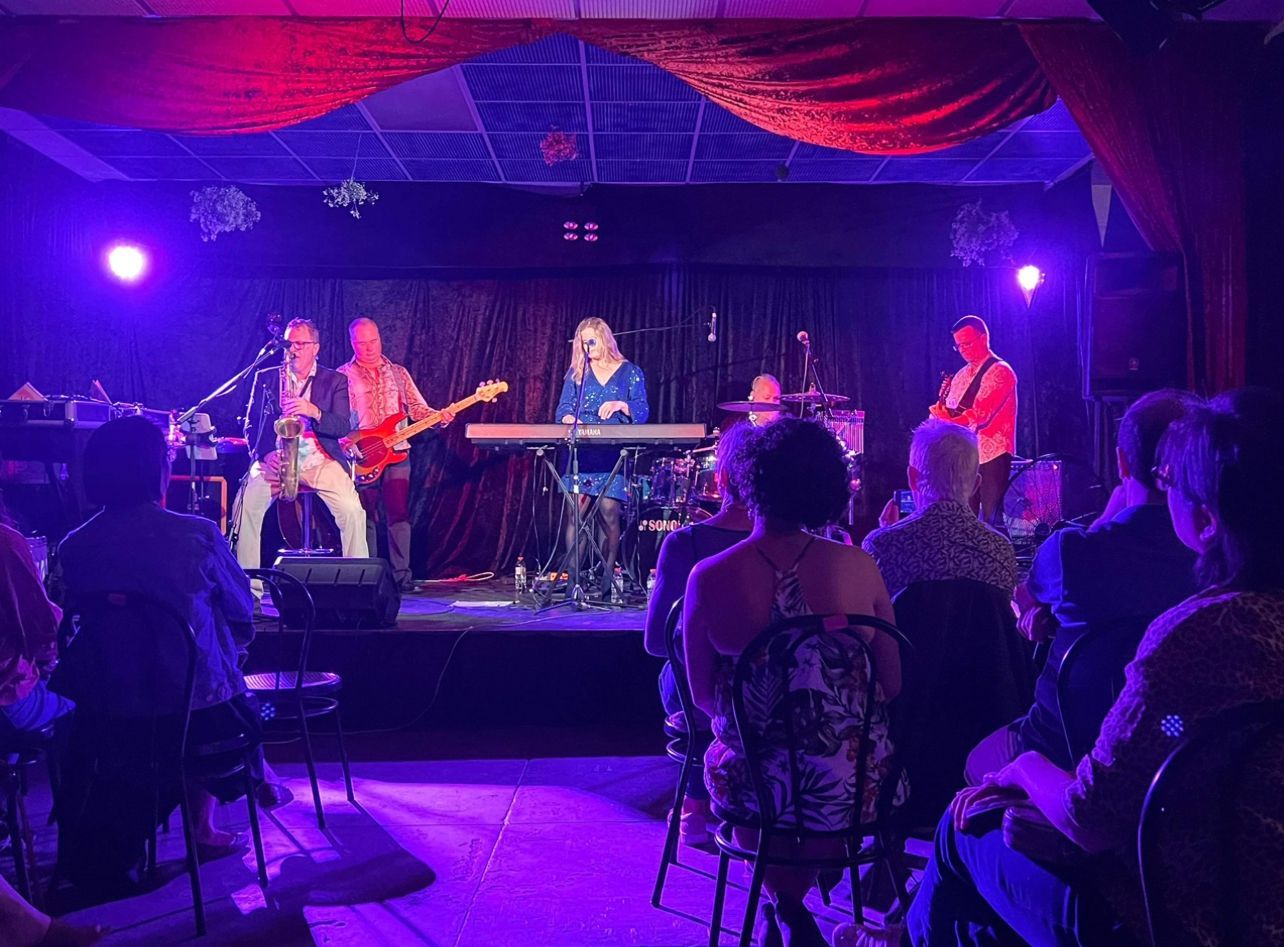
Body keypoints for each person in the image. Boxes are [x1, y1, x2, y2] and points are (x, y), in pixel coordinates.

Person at [907, 388, 1284, 947]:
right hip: (1262, 899)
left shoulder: (1192, 634)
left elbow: (1090, 817)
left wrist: (1024, 770)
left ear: (1206, 520)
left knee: (959, 829)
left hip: (1170, 914)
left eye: (1171, 480)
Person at [683, 418, 904, 946]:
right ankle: (790, 905)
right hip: (854, 786)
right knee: (826, 777)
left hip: (755, 784)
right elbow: (892, 683)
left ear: (748, 481)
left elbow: (703, 697)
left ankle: (781, 905)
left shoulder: (708, 576)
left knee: (750, 771)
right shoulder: (860, 566)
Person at [55, 417, 263, 893]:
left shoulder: (74, 546)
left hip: (108, 717)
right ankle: (205, 828)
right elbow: (241, 612)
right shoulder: (198, 535)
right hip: (199, 719)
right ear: (156, 470)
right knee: (219, 680)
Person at [966, 389, 1201, 779]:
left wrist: (1108, 519)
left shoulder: (1071, 553)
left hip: (1065, 750)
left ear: (1122, 462)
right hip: (1177, 752)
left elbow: (1024, 598)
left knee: (977, 762)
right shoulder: (1219, 558)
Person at [642, 421, 755, 846]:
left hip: (702, 700)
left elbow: (655, 643)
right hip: (772, 701)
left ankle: (694, 804)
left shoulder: (684, 543)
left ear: (721, 478)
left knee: (684, 674)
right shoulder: (797, 545)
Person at [235, 318, 367, 599]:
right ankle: (248, 591)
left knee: (352, 511)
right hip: (275, 458)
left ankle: (358, 588)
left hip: (320, 458)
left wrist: (314, 411)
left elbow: (342, 426)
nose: (292, 349)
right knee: (246, 505)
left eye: (300, 343)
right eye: (289, 343)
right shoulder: (267, 377)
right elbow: (250, 425)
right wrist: (265, 453)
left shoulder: (335, 380)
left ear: (315, 348)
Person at [339, 317, 453, 592]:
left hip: (398, 453)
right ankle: (368, 575)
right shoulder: (341, 375)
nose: (369, 348)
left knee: (399, 515)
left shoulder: (398, 373)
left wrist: (439, 417)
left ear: (380, 337)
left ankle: (401, 577)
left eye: (373, 341)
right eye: (362, 343)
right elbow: (337, 419)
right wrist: (346, 443)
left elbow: (416, 408)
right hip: (363, 455)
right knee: (363, 516)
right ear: (352, 343)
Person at [862, 419, 1016, 600]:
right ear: (976, 485)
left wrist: (887, 532)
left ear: (912, 478)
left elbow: (870, 620)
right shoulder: (1001, 550)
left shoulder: (881, 546)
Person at [555, 316, 649, 600]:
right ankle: (575, 584)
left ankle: (609, 580)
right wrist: (571, 418)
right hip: (581, 454)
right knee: (576, 515)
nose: (587, 346)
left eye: (592, 340)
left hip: (611, 454)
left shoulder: (630, 372)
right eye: (583, 342)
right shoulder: (576, 375)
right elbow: (562, 411)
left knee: (609, 512)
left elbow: (643, 410)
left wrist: (622, 404)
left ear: (605, 339)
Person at [928, 316, 1017, 528]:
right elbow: (951, 408)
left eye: (967, 343)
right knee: (964, 517)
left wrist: (947, 419)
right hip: (966, 454)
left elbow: (980, 414)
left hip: (992, 455)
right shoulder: (960, 376)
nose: (963, 350)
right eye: (958, 346)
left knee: (991, 518)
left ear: (984, 338)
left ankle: (999, 559)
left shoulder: (1001, 371)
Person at [0, 496, 73, 743]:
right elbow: (43, 632)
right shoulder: (5, 542)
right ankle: (81, 782)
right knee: (88, 693)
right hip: (6, 700)